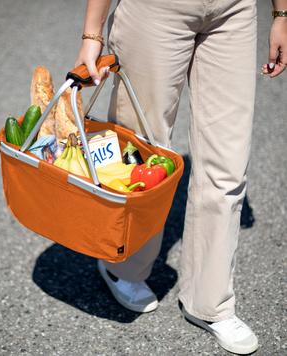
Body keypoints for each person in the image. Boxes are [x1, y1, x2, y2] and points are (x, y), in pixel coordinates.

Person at [75, 0, 286, 354]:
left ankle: (210, 302)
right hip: (155, 8)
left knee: (228, 160)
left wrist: (282, 14)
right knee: (141, 150)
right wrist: (92, 31)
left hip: (233, 11)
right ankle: (123, 268)